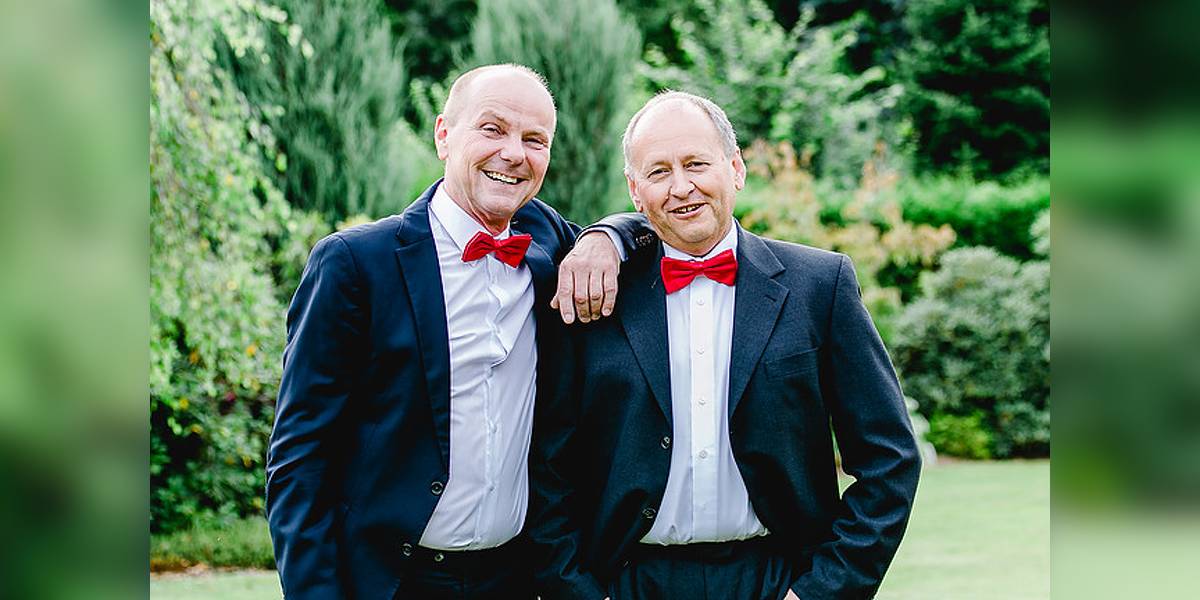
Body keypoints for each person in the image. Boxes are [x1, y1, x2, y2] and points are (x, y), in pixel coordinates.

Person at [265, 64, 653, 599]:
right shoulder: (355, 264)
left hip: (514, 581)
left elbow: (648, 228)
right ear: (444, 135)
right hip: (391, 581)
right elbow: (299, 460)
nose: (513, 153)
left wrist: (605, 237)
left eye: (534, 140)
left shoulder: (551, 244)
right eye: (492, 129)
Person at [531, 91, 921, 600]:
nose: (681, 187)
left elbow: (890, 458)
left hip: (778, 579)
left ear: (735, 169)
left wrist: (823, 591)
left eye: (696, 164)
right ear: (634, 190)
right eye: (659, 172)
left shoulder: (820, 286)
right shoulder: (593, 292)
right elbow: (546, 469)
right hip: (627, 580)